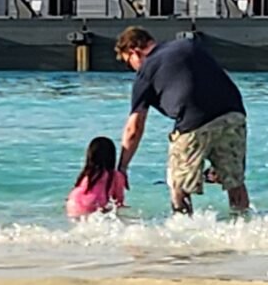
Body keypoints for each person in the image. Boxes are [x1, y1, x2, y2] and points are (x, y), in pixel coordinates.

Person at [115, 26, 249, 215]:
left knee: (179, 185)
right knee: (235, 183)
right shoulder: (188, 45)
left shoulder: (146, 70)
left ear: (134, 52)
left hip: (193, 123)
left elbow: (134, 128)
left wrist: (122, 167)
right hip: (233, 113)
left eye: (130, 62)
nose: (133, 69)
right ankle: (243, 226)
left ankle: (183, 231)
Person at [66, 136, 126, 218]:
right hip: (95, 206)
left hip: (73, 203)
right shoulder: (116, 176)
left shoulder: (86, 174)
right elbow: (119, 202)